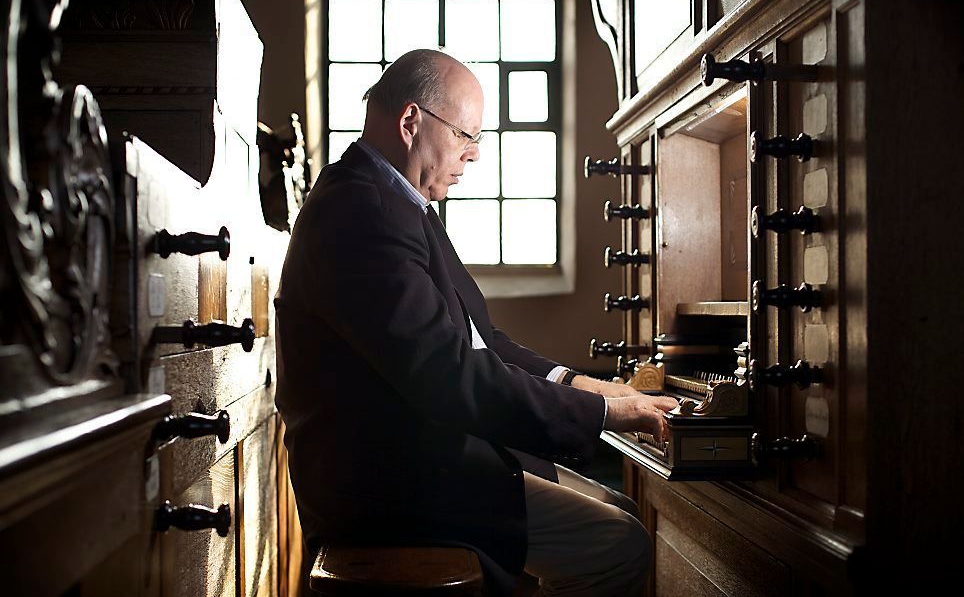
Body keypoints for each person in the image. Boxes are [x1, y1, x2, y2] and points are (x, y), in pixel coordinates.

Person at [275, 49, 677, 596]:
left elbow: (484, 343)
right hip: (387, 484)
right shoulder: (359, 209)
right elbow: (449, 373)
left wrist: (583, 385)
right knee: (620, 541)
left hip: (418, 455)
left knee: (618, 506)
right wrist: (603, 413)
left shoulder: (396, 200)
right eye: (467, 135)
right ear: (411, 121)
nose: (475, 154)